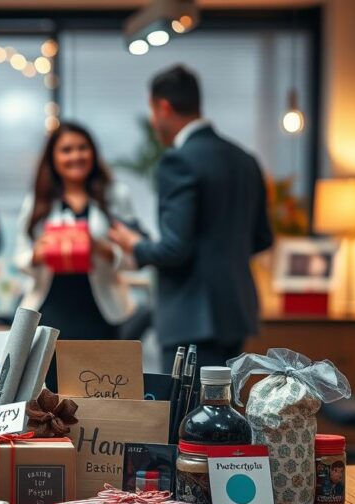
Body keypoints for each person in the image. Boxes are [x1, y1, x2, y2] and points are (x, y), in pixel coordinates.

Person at [109, 65, 273, 369]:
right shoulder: (245, 159)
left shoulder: (178, 161)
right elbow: (262, 238)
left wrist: (134, 244)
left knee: (188, 414)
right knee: (222, 410)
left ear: (163, 107)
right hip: (235, 311)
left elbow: (174, 249)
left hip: (191, 317)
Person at [15, 121, 140, 387]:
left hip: (101, 311)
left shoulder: (115, 196)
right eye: (66, 150)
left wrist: (104, 250)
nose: (76, 156)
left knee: (101, 389)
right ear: (53, 158)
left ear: (93, 153)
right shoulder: (38, 200)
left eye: (82, 148)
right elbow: (20, 257)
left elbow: (134, 259)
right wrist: (37, 254)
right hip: (51, 310)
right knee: (50, 391)